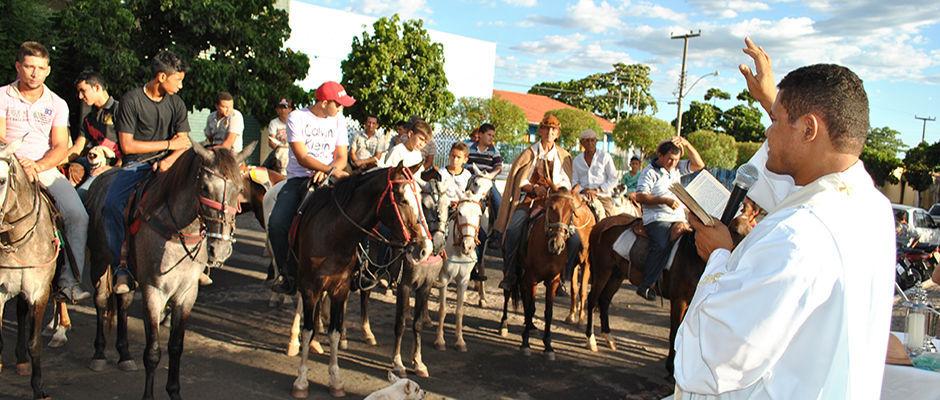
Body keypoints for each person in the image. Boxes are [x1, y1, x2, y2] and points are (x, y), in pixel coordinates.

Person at [674, 37, 895, 399]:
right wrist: (769, 99)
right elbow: (789, 194)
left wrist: (719, 256)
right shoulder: (870, 205)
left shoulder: (799, 234)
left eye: (775, 120)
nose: (767, 130)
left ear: (808, 129)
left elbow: (714, 360)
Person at [0, 41, 91, 303]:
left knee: (77, 215)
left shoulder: (57, 103)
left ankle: (69, 281)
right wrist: (17, 161)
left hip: (43, 167)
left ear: (48, 70)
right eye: (29, 67)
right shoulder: (3, 95)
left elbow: (61, 145)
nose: (34, 73)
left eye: (40, 68)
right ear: (18, 66)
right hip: (7, 161)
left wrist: (38, 165)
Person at [108, 50, 192, 294]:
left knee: (199, 194)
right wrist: (168, 145)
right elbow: (127, 146)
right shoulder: (131, 100)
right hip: (136, 164)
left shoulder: (177, 103)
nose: (181, 85)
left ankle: (198, 261)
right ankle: (119, 266)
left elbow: (184, 141)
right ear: (162, 77)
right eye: (178, 79)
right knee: (112, 205)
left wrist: (170, 160)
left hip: (170, 164)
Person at [268, 81, 353, 294]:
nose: (341, 109)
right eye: (339, 104)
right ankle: (287, 274)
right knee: (277, 223)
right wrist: (327, 169)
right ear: (324, 103)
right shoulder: (297, 117)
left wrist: (328, 171)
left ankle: (359, 269)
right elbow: (302, 156)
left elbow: (342, 156)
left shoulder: (338, 121)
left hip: (330, 176)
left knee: (359, 210)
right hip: (299, 179)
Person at [494, 114, 578, 291]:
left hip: (556, 203)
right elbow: (520, 180)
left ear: (557, 134)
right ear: (540, 130)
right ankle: (510, 273)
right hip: (531, 201)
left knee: (575, 238)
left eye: (553, 129)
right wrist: (533, 188)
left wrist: (555, 189)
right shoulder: (529, 153)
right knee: (513, 230)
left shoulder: (564, 156)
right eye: (546, 128)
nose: (549, 132)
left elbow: (567, 183)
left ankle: (562, 275)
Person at [634, 137, 705, 301]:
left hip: (679, 216)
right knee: (661, 244)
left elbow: (699, 165)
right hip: (657, 218)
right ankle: (646, 284)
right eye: (670, 159)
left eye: (677, 159)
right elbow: (640, 196)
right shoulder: (649, 171)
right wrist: (664, 200)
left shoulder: (677, 168)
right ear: (660, 154)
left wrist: (686, 144)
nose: (673, 163)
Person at [467, 123, 504, 281]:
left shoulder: (494, 151)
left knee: (499, 201)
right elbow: (466, 164)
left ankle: (497, 232)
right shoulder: (469, 148)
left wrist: (490, 175)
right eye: (489, 135)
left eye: (492, 136)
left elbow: (498, 167)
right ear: (480, 134)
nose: (491, 138)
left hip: (487, 181)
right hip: (472, 180)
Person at [72, 70, 122, 162]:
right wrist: (55, 162)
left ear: (97, 87)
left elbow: (131, 145)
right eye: (79, 92)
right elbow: (78, 147)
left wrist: (117, 168)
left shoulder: (119, 110)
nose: (80, 96)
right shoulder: (88, 118)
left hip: (119, 167)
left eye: (83, 91)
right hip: (95, 162)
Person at [572, 129, 619, 219]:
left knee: (609, 221)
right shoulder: (577, 160)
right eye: (587, 140)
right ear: (582, 143)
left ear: (596, 142)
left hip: (602, 196)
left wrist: (597, 190)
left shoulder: (605, 156)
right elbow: (574, 180)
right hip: (582, 195)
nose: (590, 143)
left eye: (592, 140)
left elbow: (613, 178)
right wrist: (583, 190)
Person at [262, 98, 292, 174]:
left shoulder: (294, 123)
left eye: (285, 108)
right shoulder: (273, 123)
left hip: (292, 151)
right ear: (277, 110)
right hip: (278, 152)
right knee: (264, 168)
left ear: (290, 109)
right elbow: (271, 140)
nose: (283, 110)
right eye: (280, 108)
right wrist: (280, 149)